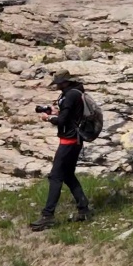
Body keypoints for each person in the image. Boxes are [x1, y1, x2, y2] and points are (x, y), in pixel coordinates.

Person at [30, 73, 91, 231]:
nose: (56, 85)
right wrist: (56, 113)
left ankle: (47, 216)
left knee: (56, 176)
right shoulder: (75, 92)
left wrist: (48, 118)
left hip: (69, 141)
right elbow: (68, 115)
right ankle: (84, 209)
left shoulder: (70, 96)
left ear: (64, 83)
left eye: (58, 83)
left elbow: (63, 121)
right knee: (68, 175)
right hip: (75, 140)